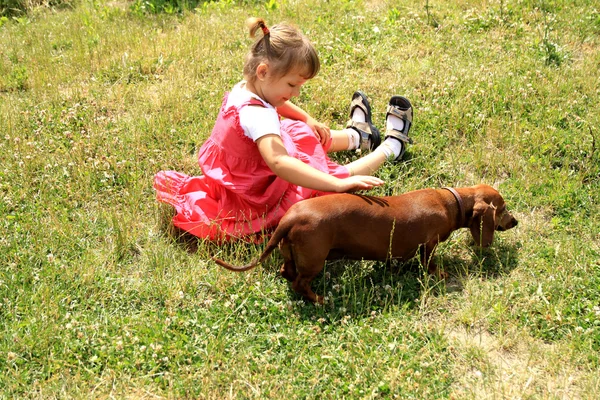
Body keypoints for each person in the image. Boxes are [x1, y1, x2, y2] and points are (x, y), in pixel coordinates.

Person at [153, 17, 413, 241]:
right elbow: (279, 162)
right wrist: (335, 185)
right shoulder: (258, 117)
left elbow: (279, 108)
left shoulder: (246, 89)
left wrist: (308, 118)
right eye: (291, 85)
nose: (296, 92)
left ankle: (358, 137)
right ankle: (391, 148)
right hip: (260, 190)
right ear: (263, 71)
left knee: (302, 132)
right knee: (327, 179)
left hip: (239, 175)